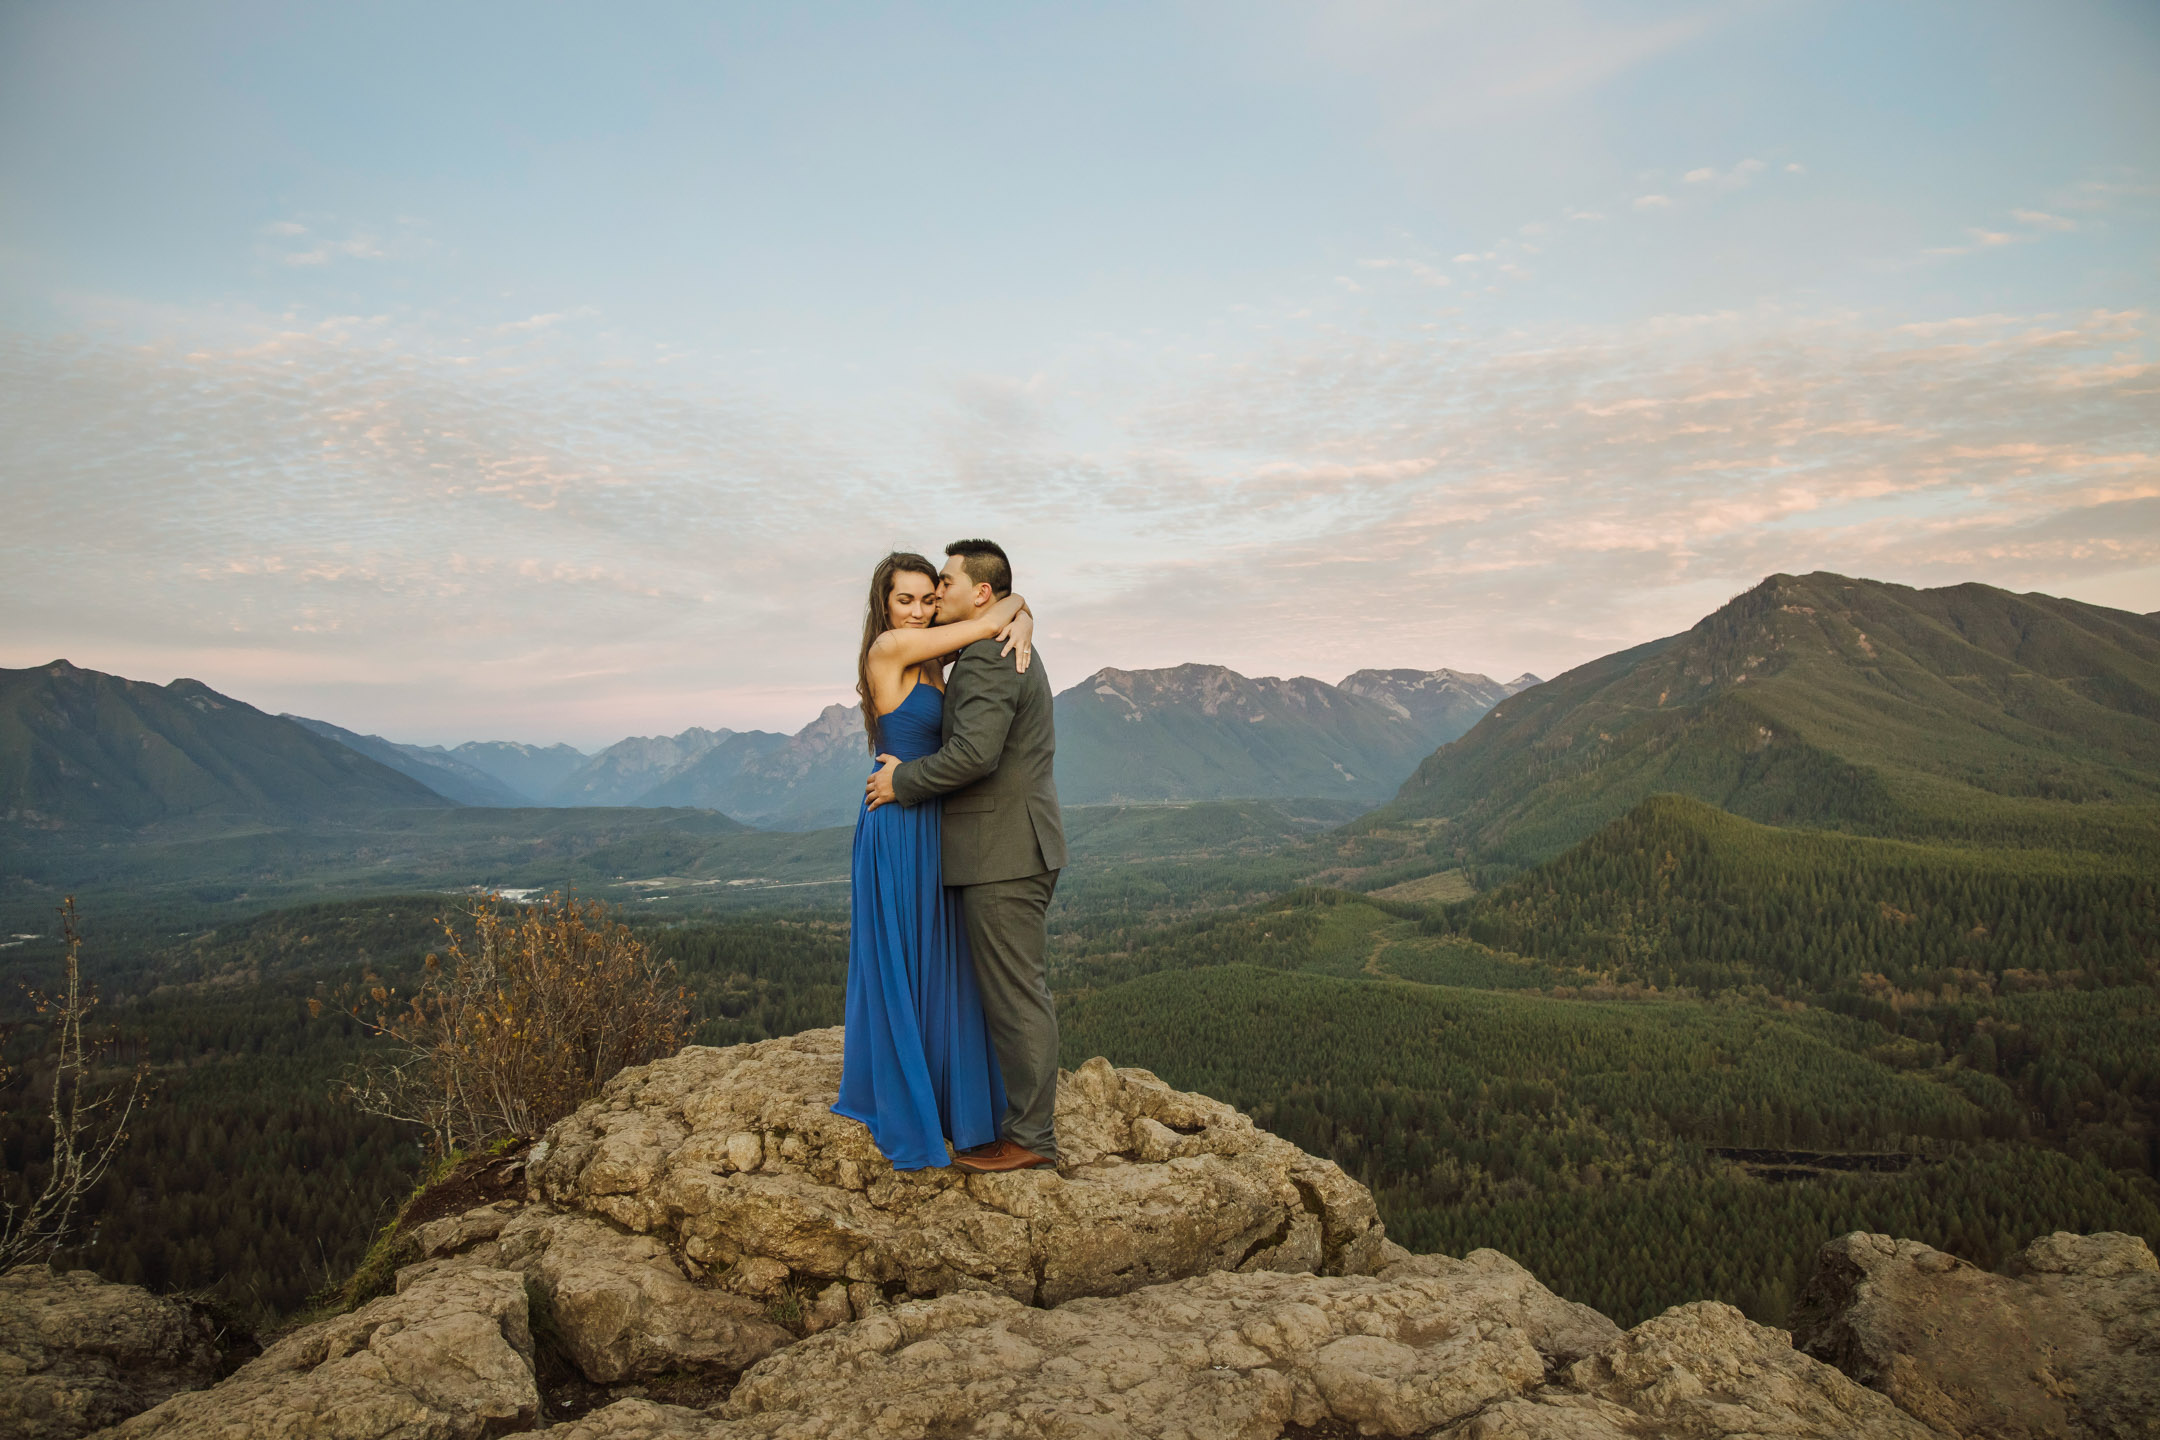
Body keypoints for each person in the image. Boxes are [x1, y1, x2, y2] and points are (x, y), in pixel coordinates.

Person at [866, 539, 1067, 1173]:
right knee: (977, 986)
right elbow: (999, 609)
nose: (931, 602)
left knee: (1014, 994)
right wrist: (1019, 611)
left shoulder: (983, 655)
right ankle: (969, 1111)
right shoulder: (981, 642)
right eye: (914, 597)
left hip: (1000, 849)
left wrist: (903, 781)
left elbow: (976, 756)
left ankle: (1031, 1137)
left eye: (941, 587)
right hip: (969, 844)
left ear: (978, 593)